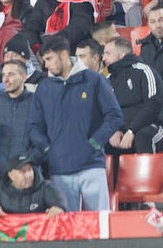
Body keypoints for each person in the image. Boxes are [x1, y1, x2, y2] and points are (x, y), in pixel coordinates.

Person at [27, 35, 122, 211]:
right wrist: (48, 149)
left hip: (92, 166)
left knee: (100, 221)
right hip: (59, 171)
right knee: (67, 225)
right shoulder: (43, 88)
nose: (46, 65)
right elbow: (34, 127)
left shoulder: (94, 80)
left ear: (64, 55)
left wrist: (95, 143)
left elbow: (114, 115)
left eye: (49, 59)